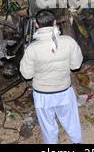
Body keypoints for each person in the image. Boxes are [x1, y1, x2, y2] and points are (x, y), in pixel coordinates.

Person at [20, 10, 83, 144]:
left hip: (43, 95)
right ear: (54, 23)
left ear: (37, 25)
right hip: (64, 91)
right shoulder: (68, 42)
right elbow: (76, 65)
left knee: (48, 127)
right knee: (71, 121)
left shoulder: (32, 49)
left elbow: (26, 74)